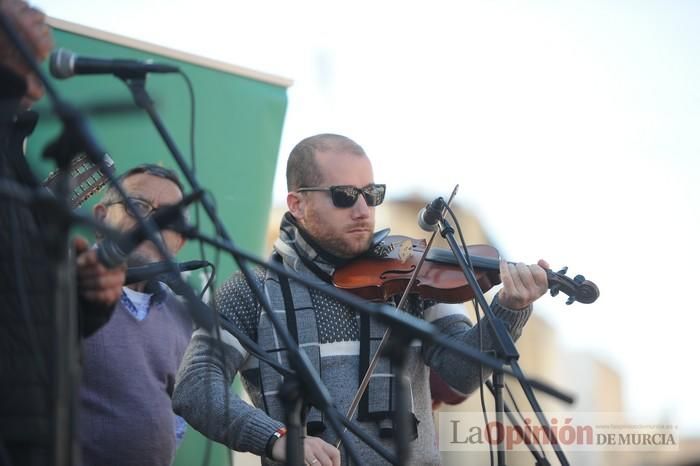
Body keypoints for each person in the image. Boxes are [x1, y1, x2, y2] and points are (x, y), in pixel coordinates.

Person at [173, 133, 549, 465]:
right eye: (344, 196)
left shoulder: (413, 277)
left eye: (371, 195)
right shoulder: (250, 290)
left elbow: (461, 375)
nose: (362, 210)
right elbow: (195, 388)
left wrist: (508, 310)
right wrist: (277, 438)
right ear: (297, 204)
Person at [0, 1, 125, 464]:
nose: (39, 21)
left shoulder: (17, 159)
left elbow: (25, 313)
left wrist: (84, 292)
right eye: (20, 11)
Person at [79, 164, 194, 466]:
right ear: (101, 217)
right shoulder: (63, 283)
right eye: (138, 206)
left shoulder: (182, 315)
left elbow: (180, 408)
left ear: (179, 242)